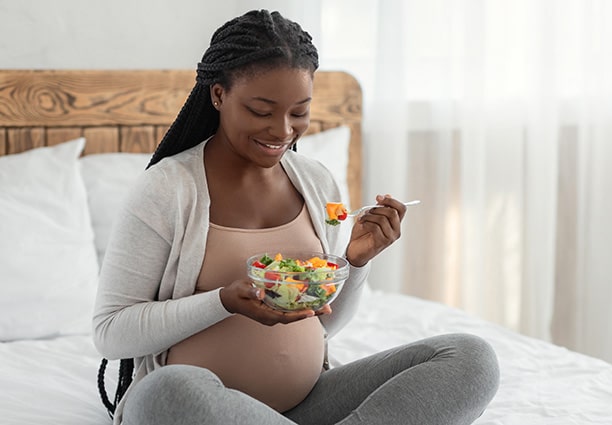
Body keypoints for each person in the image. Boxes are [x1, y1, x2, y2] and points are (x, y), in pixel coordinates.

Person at [92, 9, 499, 425]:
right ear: (218, 95)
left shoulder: (316, 181)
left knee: (470, 357)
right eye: (261, 111)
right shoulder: (167, 190)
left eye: (299, 112)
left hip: (311, 403)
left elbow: (321, 327)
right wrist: (223, 302)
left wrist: (354, 263)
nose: (282, 131)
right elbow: (111, 332)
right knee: (164, 393)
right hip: (207, 409)